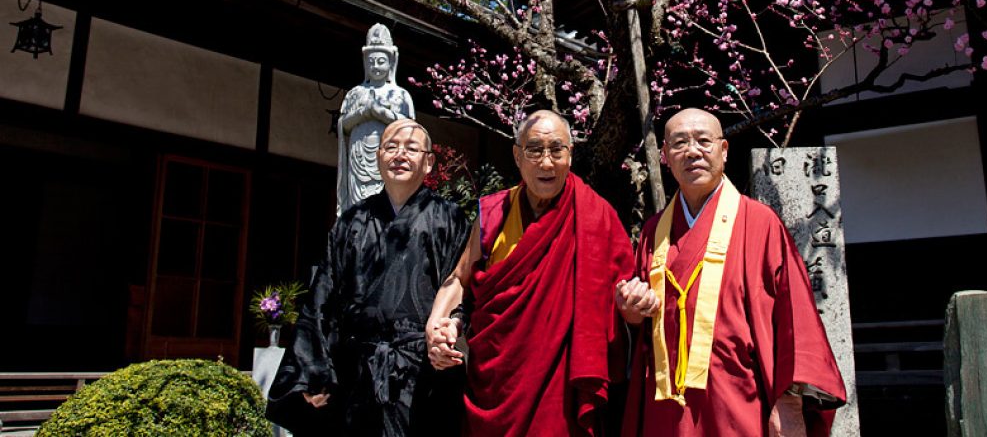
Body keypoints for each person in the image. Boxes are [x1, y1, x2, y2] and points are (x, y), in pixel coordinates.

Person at [619, 108, 846, 437]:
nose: (693, 151)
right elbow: (644, 323)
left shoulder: (759, 222)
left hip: (737, 396)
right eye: (680, 143)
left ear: (724, 151)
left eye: (703, 141)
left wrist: (790, 403)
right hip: (666, 406)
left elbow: (795, 315)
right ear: (665, 156)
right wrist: (631, 312)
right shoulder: (655, 232)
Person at [425, 110, 634, 437]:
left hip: (560, 390)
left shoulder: (598, 217)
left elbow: (625, 306)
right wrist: (436, 326)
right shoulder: (493, 213)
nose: (546, 162)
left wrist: (633, 305)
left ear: (571, 154)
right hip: (495, 383)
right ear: (517, 156)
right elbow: (458, 278)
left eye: (556, 149)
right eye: (535, 149)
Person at [267, 119, 469, 436]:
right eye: (391, 147)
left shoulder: (449, 219)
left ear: (428, 162)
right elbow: (323, 299)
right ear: (377, 158)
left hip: (423, 376)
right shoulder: (352, 222)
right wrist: (313, 370)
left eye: (411, 148)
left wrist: (451, 332)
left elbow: (462, 287)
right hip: (358, 375)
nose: (400, 155)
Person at [337, 22, 415, 216]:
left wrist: (383, 114)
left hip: (388, 159)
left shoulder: (400, 95)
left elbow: (410, 129)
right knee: (358, 210)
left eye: (381, 61)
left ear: (391, 63)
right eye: (371, 62)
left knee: (386, 209)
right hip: (358, 158)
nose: (376, 66)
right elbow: (342, 126)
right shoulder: (356, 93)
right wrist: (363, 113)